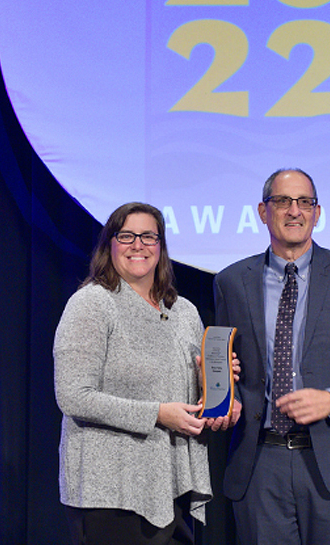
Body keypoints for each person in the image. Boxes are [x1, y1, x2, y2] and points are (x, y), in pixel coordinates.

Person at [209, 168, 330, 544]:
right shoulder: (231, 281)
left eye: (304, 202)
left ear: (317, 212)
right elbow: (228, 364)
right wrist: (220, 381)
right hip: (260, 466)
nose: (294, 210)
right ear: (263, 212)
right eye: (282, 201)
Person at [54, 201, 236, 544]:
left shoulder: (183, 311)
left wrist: (218, 391)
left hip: (173, 483)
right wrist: (158, 414)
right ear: (109, 245)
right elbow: (73, 395)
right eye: (126, 236)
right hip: (112, 491)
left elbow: (189, 389)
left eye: (148, 236)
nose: (138, 245)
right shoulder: (92, 303)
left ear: (161, 247)